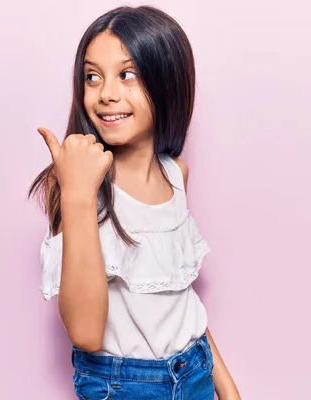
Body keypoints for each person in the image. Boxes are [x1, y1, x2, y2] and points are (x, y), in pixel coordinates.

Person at [29, 5, 241, 400]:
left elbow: (179, 299)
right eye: (93, 76)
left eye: (128, 75)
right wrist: (77, 193)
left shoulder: (177, 175)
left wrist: (227, 389)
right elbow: (86, 333)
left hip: (194, 371)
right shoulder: (76, 184)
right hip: (121, 386)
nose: (107, 94)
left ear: (168, 81)